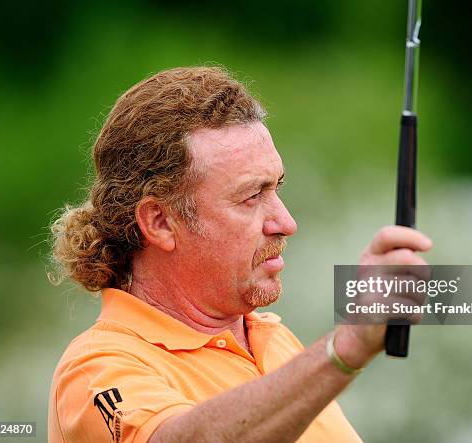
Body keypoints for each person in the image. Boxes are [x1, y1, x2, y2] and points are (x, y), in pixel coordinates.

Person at [47, 67, 432, 443]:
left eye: (276, 188)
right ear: (160, 221)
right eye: (251, 196)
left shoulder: (276, 340)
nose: (285, 222)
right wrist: (344, 347)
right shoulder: (95, 369)